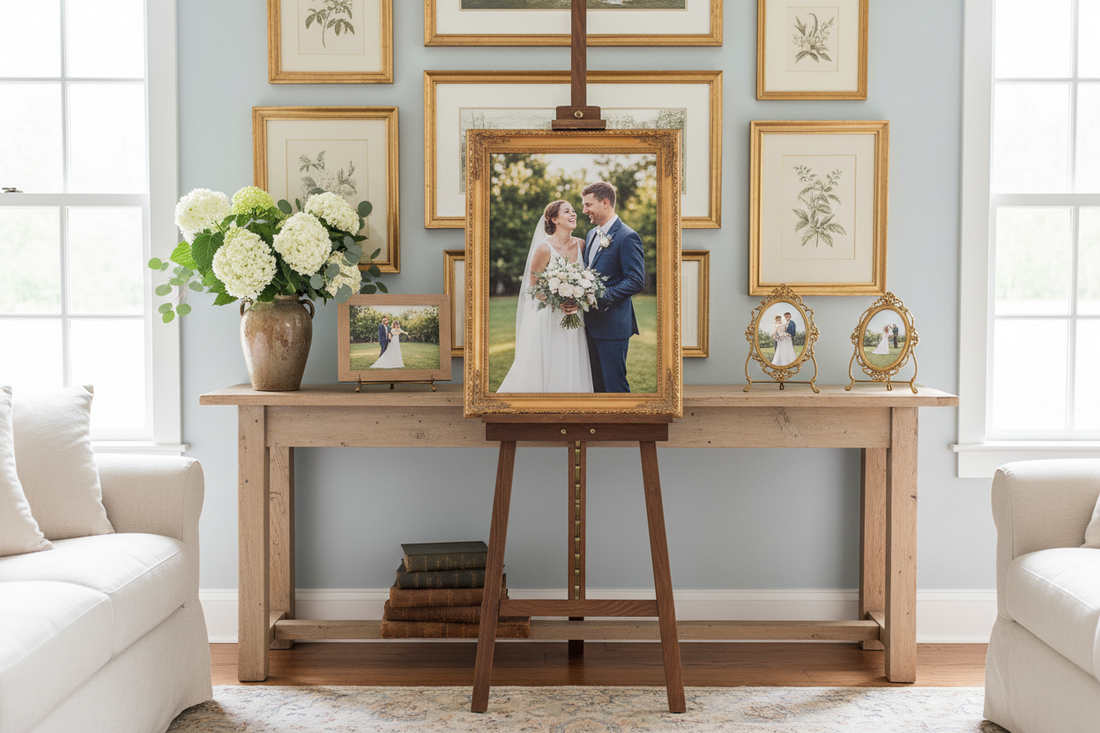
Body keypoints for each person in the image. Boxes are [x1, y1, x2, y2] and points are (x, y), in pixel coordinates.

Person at [497, 200, 593, 393]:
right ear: (554, 219)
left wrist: (577, 298)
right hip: (550, 318)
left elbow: (587, 279)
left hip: (575, 317)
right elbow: (533, 289)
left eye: (574, 211)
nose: (574, 214)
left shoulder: (582, 245)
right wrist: (559, 301)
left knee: (572, 361)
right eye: (567, 211)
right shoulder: (544, 249)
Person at [576, 181, 645, 393]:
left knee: (615, 386)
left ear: (605, 202)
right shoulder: (591, 234)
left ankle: (625, 426)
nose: (584, 210)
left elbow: (636, 280)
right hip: (590, 324)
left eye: (588, 205)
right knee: (596, 386)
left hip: (613, 326)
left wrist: (601, 297)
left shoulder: (627, 236)